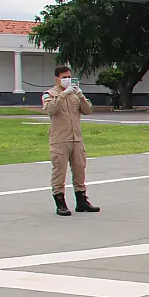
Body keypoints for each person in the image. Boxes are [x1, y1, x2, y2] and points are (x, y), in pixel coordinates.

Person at [43, 66, 99, 217]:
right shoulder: (50, 94)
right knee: (59, 172)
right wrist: (62, 95)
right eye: (64, 77)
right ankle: (60, 203)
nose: (67, 79)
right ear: (57, 79)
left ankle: (81, 201)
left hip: (76, 139)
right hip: (60, 140)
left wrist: (80, 96)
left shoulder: (75, 95)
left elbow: (88, 110)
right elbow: (50, 109)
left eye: (69, 76)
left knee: (80, 169)